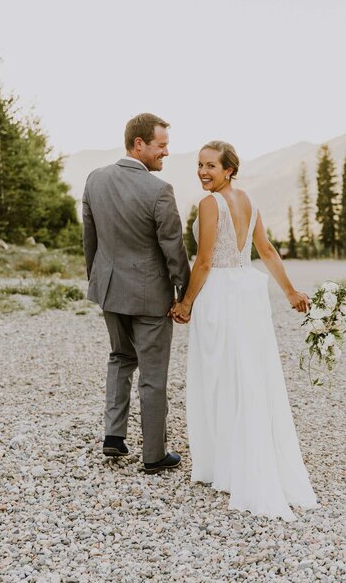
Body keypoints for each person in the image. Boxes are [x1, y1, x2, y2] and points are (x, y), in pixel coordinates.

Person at [172, 140, 317, 521]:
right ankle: (243, 458)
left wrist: (185, 303)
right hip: (247, 291)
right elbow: (265, 251)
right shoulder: (248, 200)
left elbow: (203, 261)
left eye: (211, 167)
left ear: (229, 170)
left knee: (219, 376)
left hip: (219, 293)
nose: (203, 172)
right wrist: (289, 293)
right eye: (200, 165)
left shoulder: (209, 204)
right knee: (250, 375)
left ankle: (227, 464)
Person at [82, 113, 190, 474]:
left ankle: (113, 437)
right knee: (153, 375)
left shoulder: (94, 179)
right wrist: (184, 294)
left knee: (119, 357)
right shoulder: (159, 190)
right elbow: (173, 249)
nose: (166, 153)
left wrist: (98, 281)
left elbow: (90, 241)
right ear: (139, 144)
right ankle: (154, 455)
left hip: (109, 289)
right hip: (149, 296)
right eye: (161, 146)